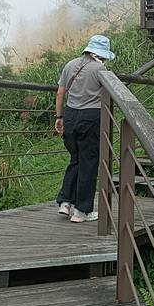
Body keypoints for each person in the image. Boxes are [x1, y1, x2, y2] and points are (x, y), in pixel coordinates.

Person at [55, 35, 115, 223]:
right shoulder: (100, 69)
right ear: (102, 54)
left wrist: (59, 117)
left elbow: (60, 92)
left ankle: (65, 202)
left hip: (70, 115)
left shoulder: (70, 64)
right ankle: (82, 211)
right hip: (90, 117)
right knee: (89, 162)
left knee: (75, 159)